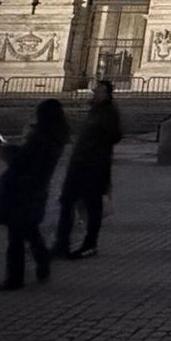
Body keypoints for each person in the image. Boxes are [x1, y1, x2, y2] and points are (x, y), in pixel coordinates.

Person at [0, 99, 70, 291]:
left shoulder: (39, 138)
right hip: (37, 188)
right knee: (30, 230)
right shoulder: (56, 137)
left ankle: (15, 278)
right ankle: (43, 263)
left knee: (16, 236)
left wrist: (5, 148)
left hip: (22, 190)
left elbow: (21, 161)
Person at [53, 80, 123, 261]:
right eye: (95, 90)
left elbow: (115, 136)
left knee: (92, 206)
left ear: (107, 93)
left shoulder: (108, 113)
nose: (95, 93)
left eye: (99, 90)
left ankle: (89, 243)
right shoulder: (94, 111)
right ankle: (62, 243)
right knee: (68, 201)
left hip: (94, 165)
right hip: (80, 163)